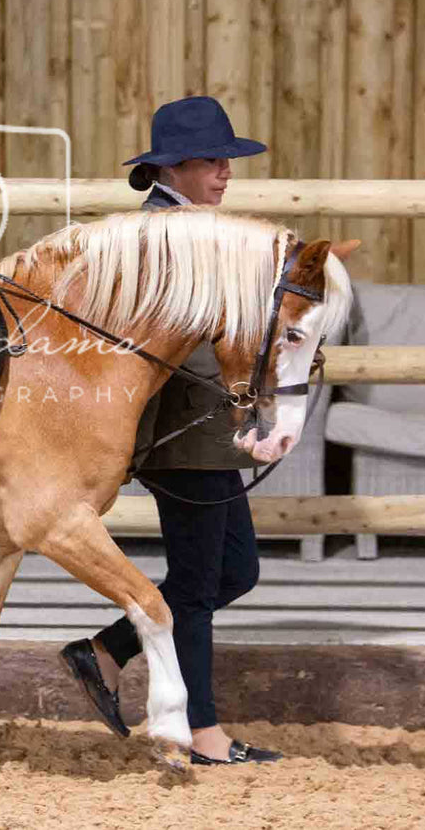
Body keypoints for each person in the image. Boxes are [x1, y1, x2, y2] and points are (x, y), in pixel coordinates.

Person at [58, 96, 283, 765]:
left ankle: (101, 651)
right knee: (196, 580)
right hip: (179, 433)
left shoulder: (186, 228)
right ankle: (202, 731)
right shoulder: (161, 235)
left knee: (233, 571)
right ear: (175, 167)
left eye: (225, 162)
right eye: (212, 162)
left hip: (208, 428)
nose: (224, 174)